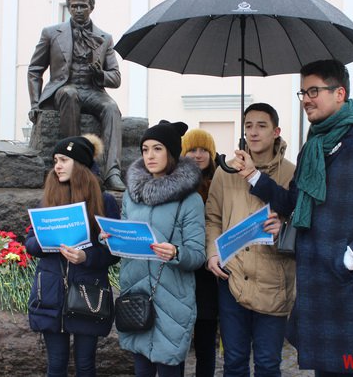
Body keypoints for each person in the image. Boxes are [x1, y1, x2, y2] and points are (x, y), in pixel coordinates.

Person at [233, 59, 353, 377]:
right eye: (303, 92)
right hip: (319, 295)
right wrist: (254, 176)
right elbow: (296, 202)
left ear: (339, 93)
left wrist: (349, 258)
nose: (306, 99)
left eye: (314, 90)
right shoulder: (314, 148)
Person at [205, 103, 297, 377]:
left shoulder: (291, 173)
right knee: (233, 361)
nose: (253, 133)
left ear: (276, 131)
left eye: (261, 126)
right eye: (248, 126)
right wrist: (212, 253)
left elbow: (302, 219)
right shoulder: (225, 171)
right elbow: (213, 217)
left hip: (274, 281)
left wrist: (285, 226)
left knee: (268, 363)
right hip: (232, 280)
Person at [26, 134, 120, 377]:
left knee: (85, 364)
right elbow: (29, 244)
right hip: (51, 294)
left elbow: (113, 253)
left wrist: (85, 257)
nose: (57, 165)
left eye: (64, 160)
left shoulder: (105, 201)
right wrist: (48, 242)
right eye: (56, 160)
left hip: (88, 294)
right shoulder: (48, 200)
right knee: (56, 365)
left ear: (79, 164)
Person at [118, 120, 206, 376]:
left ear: (171, 152)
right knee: (141, 369)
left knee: (169, 369)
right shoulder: (131, 195)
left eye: (157, 148)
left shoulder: (190, 200)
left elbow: (197, 254)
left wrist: (176, 253)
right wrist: (109, 238)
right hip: (137, 295)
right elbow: (125, 240)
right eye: (145, 149)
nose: (150, 156)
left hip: (173, 300)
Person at [28, 0, 125, 192]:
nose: (78, 10)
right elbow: (35, 69)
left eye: (83, 6)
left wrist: (100, 74)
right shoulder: (51, 33)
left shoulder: (104, 38)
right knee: (69, 94)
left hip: (92, 90)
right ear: (69, 7)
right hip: (63, 88)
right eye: (74, 6)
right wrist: (35, 104)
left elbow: (115, 78)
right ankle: (74, 165)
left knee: (112, 108)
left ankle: (112, 173)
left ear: (91, 7)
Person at [180, 128, 218, 377]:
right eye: (192, 149)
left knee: (206, 340)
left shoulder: (221, 181)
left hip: (208, 272)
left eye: (203, 149)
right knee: (179, 340)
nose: (198, 154)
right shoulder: (177, 183)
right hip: (183, 267)